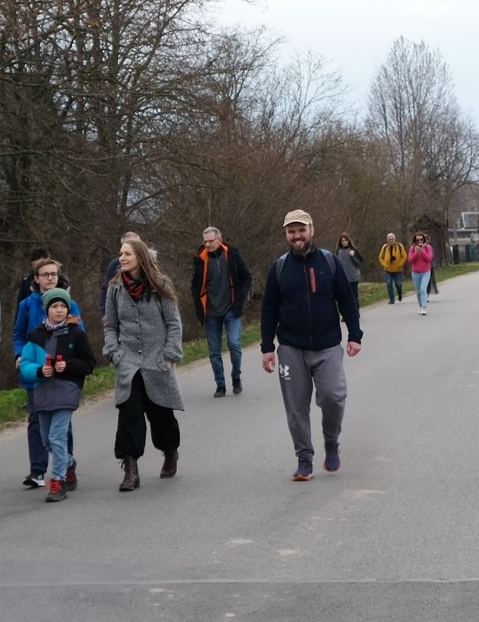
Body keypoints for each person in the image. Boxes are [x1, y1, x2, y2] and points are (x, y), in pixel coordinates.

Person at [259, 210, 361, 481]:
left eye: (301, 230)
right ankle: (304, 459)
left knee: (333, 396)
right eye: (291, 231)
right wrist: (267, 347)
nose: (297, 236)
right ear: (286, 235)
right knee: (296, 407)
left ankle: (331, 442)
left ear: (311, 230)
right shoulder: (279, 268)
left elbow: (346, 300)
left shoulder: (329, 262)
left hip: (327, 345)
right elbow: (269, 309)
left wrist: (355, 334)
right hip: (291, 347)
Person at [103, 234, 184, 491]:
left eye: (127, 254)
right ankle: (130, 468)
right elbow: (110, 325)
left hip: (156, 359)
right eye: (120, 253)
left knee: (161, 415)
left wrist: (169, 355)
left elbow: (173, 323)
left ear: (140, 257)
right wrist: (113, 353)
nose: (122, 258)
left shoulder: (161, 284)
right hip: (128, 360)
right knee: (129, 413)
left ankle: (170, 451)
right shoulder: (115, 287)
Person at [17, 290, 96, 503]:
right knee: (46, 439)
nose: (59, 310)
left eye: (63, 306)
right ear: (47, 310)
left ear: (68, 309)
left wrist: (67, 366)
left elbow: (89, 363)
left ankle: (58, 481)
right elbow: (25, 365)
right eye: (54, 306)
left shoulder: (76, 334)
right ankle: (69, 463)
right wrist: (39, 370)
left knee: (57, 436)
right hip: (42, 392)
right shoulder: (35, 336)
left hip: (66, 391)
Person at [11, 259, 81, 489]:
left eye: (54, 274)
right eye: (45, 274)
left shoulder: (69, 305)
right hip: (36, 372)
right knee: (37, 420)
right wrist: (20, 355)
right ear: (36, 279)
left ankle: (65, 468)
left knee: (62, 424)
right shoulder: (27, 305)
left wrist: (70, 362)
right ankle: (38, 469)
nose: (50, 278)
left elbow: (78, 335)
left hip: (62, 374)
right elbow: (18, 334)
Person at [191, 227, 252, 399]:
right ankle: (220, 385)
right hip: (211, 312)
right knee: (214, 351)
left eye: (211, 241)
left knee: (234, 344)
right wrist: (198, 303)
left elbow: (247, 277)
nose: (208, 244)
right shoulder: (200, 260)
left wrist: (240, 298)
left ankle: (236, 377)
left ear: (219, 240)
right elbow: (195, 285)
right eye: (205, 241)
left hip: (231, 309)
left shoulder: (232, 255)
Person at [407, 232, 435, 315]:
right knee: (418, 291)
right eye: (417, 240)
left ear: (424, 239)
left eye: (421, 239)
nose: (419, 241)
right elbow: (410, 260)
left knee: (423, 289)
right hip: (415, 272)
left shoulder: (428, 247)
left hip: (426, 272)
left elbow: (429, 259)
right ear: (415, 241)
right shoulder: (412, 248)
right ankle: (420, 305)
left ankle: (424, 307)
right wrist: (416, 252)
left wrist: (422, 251)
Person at [375, 233, 407, 305]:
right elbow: (380, 257)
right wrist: (384, 265)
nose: (390, 241)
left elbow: (404, 256)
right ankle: (391, 299)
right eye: (389, 239)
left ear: (394, 239)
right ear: (387, 240)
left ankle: (399, 294)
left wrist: (400, 264)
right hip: (388, 270)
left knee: (398, 284)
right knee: (389, 284)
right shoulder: (385, 247)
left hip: (397, 270)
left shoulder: (400, 246)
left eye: (392, 239)